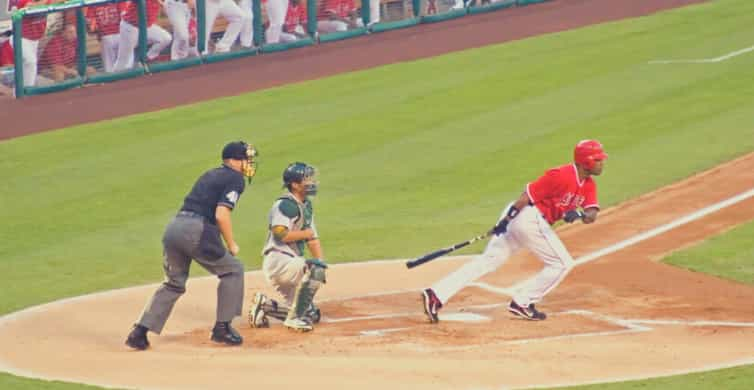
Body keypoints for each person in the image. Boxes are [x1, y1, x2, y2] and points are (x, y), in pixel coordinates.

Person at [422, 140, 608, 322]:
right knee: (561, 263)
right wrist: (507, 220)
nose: (602, 163)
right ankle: (523, 302)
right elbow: (527, 196)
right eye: (598, 159)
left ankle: (436, 294)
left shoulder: (589, 185)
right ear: (586, 161)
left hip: (528, 221)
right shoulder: (560, 175)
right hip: (528, 216)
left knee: (489, 261)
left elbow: (591, 214)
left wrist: (579, 214)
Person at [125, 141, 259, 350]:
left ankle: (139, 332)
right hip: (195, 230)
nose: (247, 164)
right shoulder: (235, 178)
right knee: (233, 270)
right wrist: (231, 244)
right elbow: (221, 215)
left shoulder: (210, 174)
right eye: (244, 159)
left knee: (173, 283)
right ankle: (222, 328)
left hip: (173, 228)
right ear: (233, 160)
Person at [248, 162, 327, 332]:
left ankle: (265, 306)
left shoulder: (305, 206)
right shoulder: (285, 205)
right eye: (306, 179)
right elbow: (280, 233)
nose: (311, 182)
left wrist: (321, 261)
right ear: (295, 185)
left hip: (290, 263)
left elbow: (312, 238)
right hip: (279, 262)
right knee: (314, 270)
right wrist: (305, 236)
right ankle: (294, 319)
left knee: (312, 314)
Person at [113, 0, 172, 71]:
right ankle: (114, 79)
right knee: (124, 60)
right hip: (130, 27)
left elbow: (164, 10)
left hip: (146, 27)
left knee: (165, 38)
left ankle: (145, 59)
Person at [17, 0, 52, 86]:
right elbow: (31, 6)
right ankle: (28, 91)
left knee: (29, 66)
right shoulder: (23, 1)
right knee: (31, 62)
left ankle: (21, 92)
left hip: (35, 40)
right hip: (21, 39)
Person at [86, 2, 122, 72]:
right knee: (125, 65)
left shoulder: (92, 5)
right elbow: (91, 27)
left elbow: (91, 27)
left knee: (110, 68)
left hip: (110, 37)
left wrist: (92, 28)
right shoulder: (92, 5)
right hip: (113, 36)